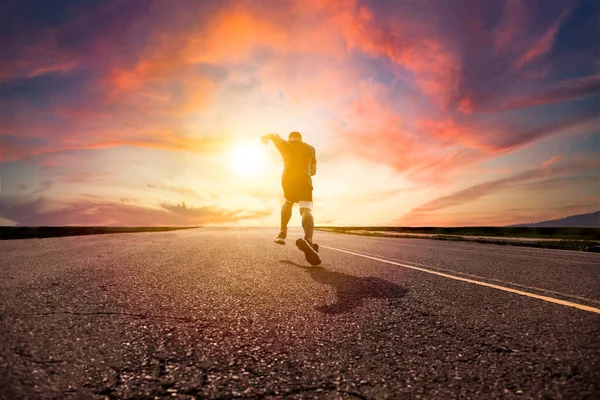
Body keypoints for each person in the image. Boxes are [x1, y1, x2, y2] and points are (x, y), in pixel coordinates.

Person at [261, 131, 321, 265]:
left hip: (288, 179)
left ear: (291, 138)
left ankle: (282, 233)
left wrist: (266, 137)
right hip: (305, 179)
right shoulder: (311, 148)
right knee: (306, 209)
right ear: (301, 138)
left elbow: (275, 136)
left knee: (288, 202)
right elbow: (313, 172)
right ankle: (308, 240)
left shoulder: (286, 145)